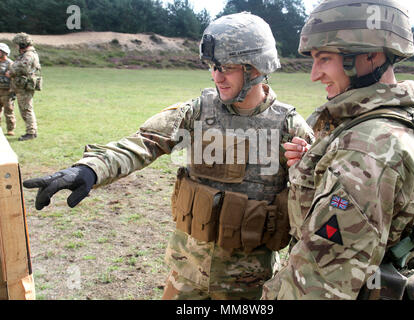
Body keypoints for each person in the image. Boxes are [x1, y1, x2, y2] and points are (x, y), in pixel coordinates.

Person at [23, 12, 314, 300]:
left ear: (256, 68)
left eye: (227, 67)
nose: (216, 76)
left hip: (248, 284)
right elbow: (143, 143)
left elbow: (323, 202)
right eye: (212, 66)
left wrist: (303, 168)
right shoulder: (198, 112)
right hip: (186, 273)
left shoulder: (289, 128)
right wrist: (89, 170)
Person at [262, 0, 414, 300]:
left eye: (324, 59)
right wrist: (314, 169)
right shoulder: (384, 121)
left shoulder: (367, 147)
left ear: (370, 55)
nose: (314, 74)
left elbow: (318, 285)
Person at [5, 33, 41, 141]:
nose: (16, 47)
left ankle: (31, 132)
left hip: (24, 86)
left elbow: (22, 68)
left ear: (22, 44)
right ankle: (31, 131)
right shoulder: (26, 54)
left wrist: (11, 72)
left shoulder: (28, 55)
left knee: (26, 109)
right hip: (22, 85)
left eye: (17, 44)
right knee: (25, 109)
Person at [0, 43, 16, 136]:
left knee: (9, 111)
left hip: (7, 91)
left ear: (5, 52)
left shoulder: (11, 64)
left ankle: (10, 129)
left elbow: (14, 77)